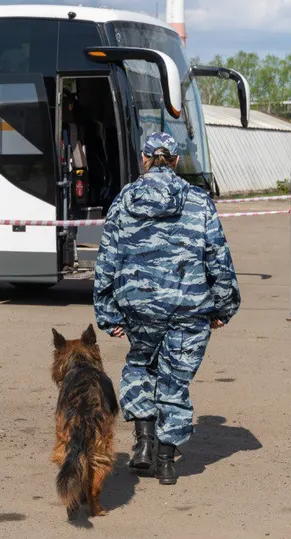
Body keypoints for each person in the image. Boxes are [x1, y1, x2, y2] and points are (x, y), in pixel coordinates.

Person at [92, 132, 241, 486]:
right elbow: (217, 258)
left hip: (138, 308)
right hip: (189, 307)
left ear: (144, 159)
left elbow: (106, 261)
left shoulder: (123, 200)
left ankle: (144, 444)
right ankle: (167, 461)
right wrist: (224, 306)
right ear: (175, 160)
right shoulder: (199, 201)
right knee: (174, 379)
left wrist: (107, 313)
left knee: (141, 364)